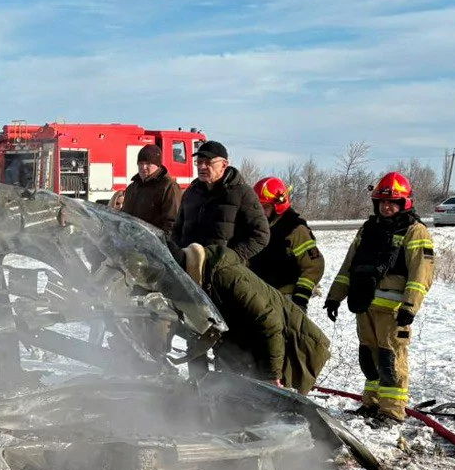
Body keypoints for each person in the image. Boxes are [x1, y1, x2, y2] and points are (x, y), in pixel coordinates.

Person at [324, 172, 435, 422]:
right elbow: (348, 265)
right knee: (369, 359)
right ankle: (371, 404)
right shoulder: (369, 228)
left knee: (391, 360)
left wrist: (410, 306)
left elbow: (421, 273)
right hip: (365, 306)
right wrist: (335, 297)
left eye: (392, 202)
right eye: (382, 202)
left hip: (394, 311)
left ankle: (392, 411)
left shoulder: (415, 232)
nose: (386, 206)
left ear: (404, 203)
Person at [181, 242, 330, 394]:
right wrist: (198, 379)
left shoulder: (226, 276)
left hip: (290, 345)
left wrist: (272, 375)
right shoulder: (197, 285)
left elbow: (270, 322)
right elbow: (195, 333)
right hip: (248, 351)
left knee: (271, 408)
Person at [172, 141, 269, 262]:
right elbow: (176, 230)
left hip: (222, 274)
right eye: (199, 162)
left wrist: (229, 259)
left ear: (224, 165)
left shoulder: (242, 193)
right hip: (188, 269)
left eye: (208, 162)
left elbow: (261, 235)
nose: (202, 167)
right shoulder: (191, 193)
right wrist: (178, 254)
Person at [248, 177, 324, 310]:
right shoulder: (256, 228)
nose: (260, 212)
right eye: (257, 206)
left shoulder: (295, 229)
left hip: (286, 299)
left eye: (265, 207)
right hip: (259, 297)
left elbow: (313, 266)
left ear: (278, 204)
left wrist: (300, 298)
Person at [122, 144, 181, 235]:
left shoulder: (169, 187)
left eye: (148, 163)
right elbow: (124, 216)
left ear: (157, 165)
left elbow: (172, 222)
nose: (143, 167)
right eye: (141, 163)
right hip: (132, 241)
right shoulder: (132, 188)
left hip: (155, 244)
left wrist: (164, 244)